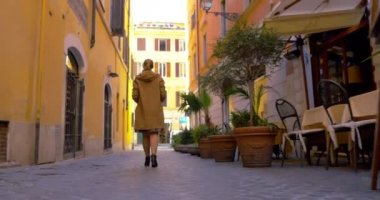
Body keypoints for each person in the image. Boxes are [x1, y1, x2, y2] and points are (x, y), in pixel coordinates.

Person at [132, 59, 166, 168]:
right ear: (152, 66)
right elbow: (163, 95)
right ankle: (154, 157)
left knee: (145, 134)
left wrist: (142, 101)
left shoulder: (137, 79)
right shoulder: (159, 78)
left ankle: (147, 158)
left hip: (143, 109)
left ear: (143, 66)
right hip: (155, 110)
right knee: (154, 133)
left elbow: (135, 96)